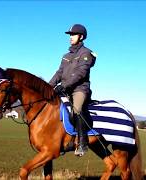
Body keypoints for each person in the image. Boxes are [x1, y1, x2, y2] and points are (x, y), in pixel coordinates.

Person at [49, 24, 97, 157]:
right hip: (66, 89)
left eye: (73, 35)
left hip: (79, 89)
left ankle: (82, 143)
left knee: (76, 109)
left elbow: (80, 73)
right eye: (70, 35)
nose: (70, 37)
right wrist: (48, 87)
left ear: (81, 37)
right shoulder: (66, 56)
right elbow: (59, 73)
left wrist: (64, 85)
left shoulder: (86, 53)